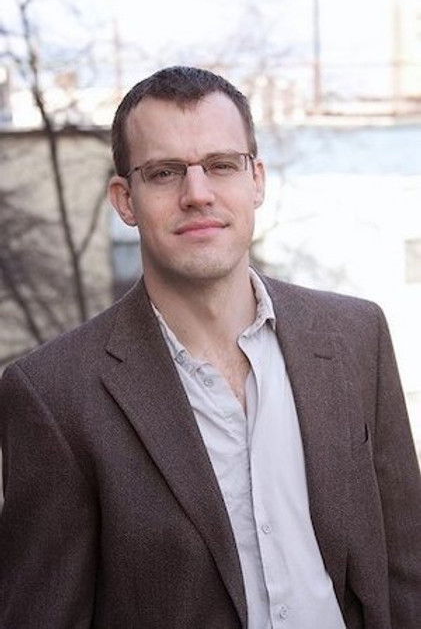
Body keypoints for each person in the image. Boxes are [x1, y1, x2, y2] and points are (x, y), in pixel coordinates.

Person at [0, 66, 420, 629]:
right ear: (125, 200)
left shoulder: (356, 336)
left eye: (222, 165)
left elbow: (406, 571)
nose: (197, 194)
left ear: (257, 181)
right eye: (164, 172)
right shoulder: (54, 395)